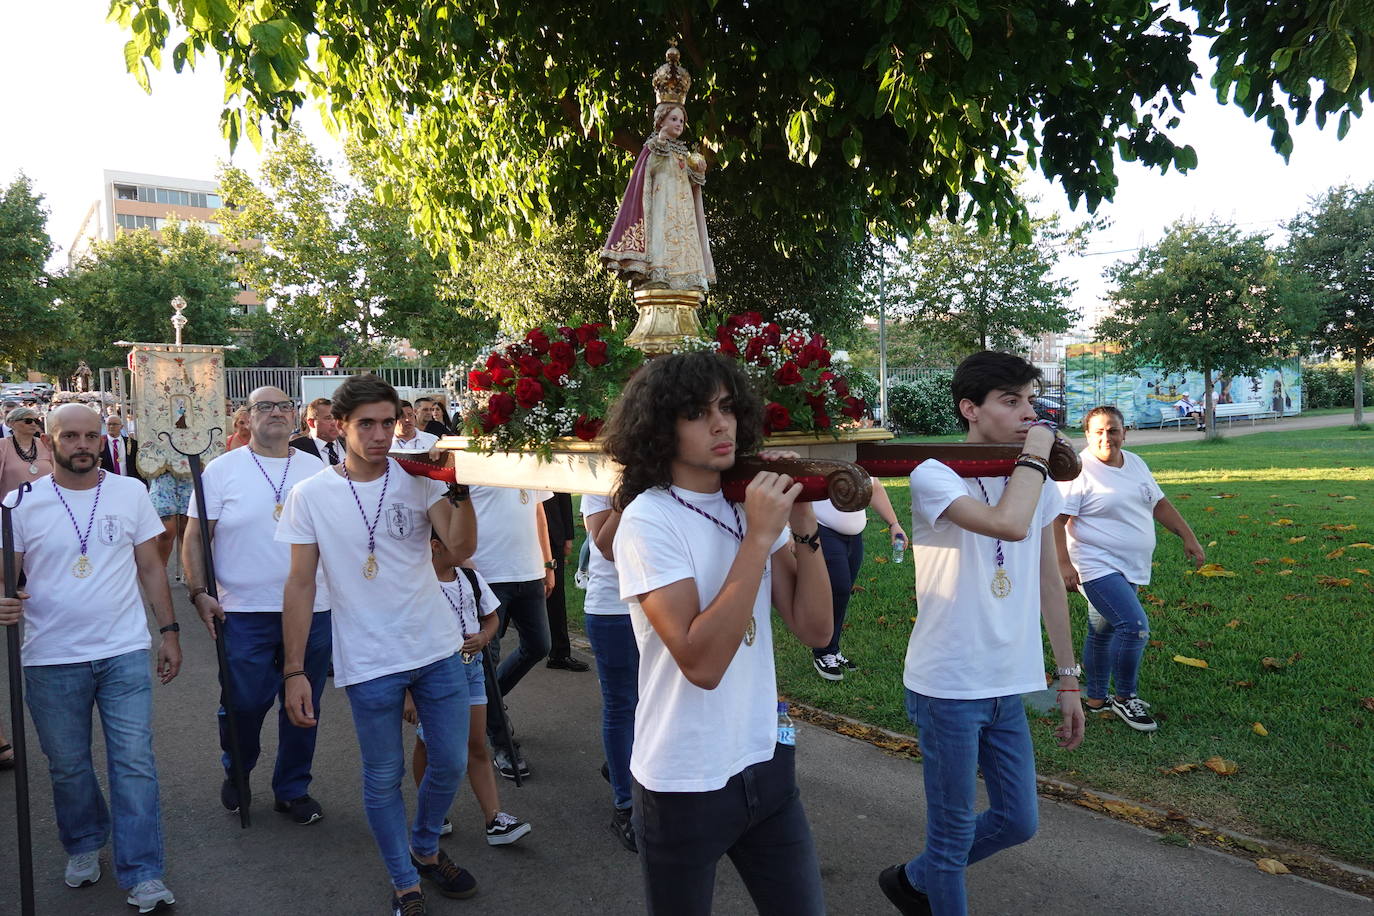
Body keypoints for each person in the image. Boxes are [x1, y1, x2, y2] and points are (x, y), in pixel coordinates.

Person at [603, 350, 833, 915]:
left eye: (727, 408)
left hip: (765, 758)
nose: (720, 423)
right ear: (660, 426)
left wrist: (803, 528)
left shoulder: (745, 502)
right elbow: (701, 664)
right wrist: (757, 540)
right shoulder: (649, 518)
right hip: (685, 778)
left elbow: (815, 628)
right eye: (696, 413)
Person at [879, 351, 1085, 916]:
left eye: (1030, 400)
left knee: (1018, 821)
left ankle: (912, 880)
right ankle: (929, 879)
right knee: (949, 840)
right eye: (1010, 401)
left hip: (1006, 683)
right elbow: (1007, 525)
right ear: (970, 409)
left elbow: (1048, 580)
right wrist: (1039, 453)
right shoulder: (933, 473)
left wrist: (1067, 680)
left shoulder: (1032, 480)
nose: (1027, 413)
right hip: (947, 685)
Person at [277, 374, 479, 916]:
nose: (380, 434)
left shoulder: (418, 479)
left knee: (451, 761)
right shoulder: (310, 494)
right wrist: (295, 671)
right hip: (368, 658)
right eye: (366, 423)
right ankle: (403, 880)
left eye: (388, 422)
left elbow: (459, 550)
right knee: (384, 775)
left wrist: (459, 486)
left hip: (435, 645)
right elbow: (299, 584)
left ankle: (426, 846)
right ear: (339, 426)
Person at [0, 403, 180, 913]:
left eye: (91, 436)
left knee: (134, 764)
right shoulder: (19, 503)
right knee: (69, 767)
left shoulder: (130, 492)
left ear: (103, 440)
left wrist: (169, 632)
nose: (82, 444)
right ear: (50, 439)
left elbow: (150, 567)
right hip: (50, 657)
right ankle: (82, 843)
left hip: (122, 649)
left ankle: (144, 872)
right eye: (71, 436)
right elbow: (6, 578)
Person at [183, 386, 334, 822]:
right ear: (246, 417)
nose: (275, 413)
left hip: (311, 607)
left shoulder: (317, 468)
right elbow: (195, 538)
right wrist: (197, 592)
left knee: (304, 702)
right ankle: (239, 771)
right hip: (243, 609)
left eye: (284, 406)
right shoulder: (221, 470)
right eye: (263, 406)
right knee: (244, 703)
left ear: (296, 416)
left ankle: (292, 787)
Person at [1054, 405, 1205, 732]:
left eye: (1113, 430)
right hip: (1095, 564)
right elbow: (1057, 520)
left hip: (1131, 565)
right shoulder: (1078, 470)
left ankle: (1095, 699)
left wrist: (1188, 537)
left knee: (1102, 629)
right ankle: (1125, 698)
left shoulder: (1135, 463)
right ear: (1087, 435)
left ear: (1124, 432)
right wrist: (1063, 563)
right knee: (1134, 626)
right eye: (1099, 431)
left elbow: (1159, 504)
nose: (1106, 437)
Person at [404, 534, 531, 846]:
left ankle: (494, 819)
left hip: (471, 670)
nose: (468, 549)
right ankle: (431, 812)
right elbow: (403, 639)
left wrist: (484, 638)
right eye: (458, 542)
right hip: (431, 676)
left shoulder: (470, 578)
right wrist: (407, 693)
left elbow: (491, 618)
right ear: (434, 544)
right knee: (428, 746)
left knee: (476, 744)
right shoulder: (415, 584)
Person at [599, 47, 715, 293]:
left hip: (682, 210)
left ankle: (687, 279)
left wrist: (699, 172)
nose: (679, 125)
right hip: (662, 205)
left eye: (682, 121)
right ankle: (658, 275)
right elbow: (646, 173)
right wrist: (660, 143)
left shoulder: (684, 152)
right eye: (674, 119)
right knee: (662, 241)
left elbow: (692, 183)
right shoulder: (654, 147)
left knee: (684, 243)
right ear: (661, 120)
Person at [466, 485, 555, 780]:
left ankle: (487, 701)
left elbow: (539, 512)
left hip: (529, 572)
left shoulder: (531, 455)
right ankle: (503, 744)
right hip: (489, 574)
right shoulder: (474, 459)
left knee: (539, 646)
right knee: (487, 664)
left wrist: (548, 563)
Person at [581, 492, 639, 851]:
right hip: (613, 609)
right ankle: (625, 806)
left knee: (655, 702)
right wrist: (625, 501)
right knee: (622, 705)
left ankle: (623, 766)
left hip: (661, 599)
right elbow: (605, 545)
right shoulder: (597, 478)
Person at [810, 478, 905, 681]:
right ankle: (822, 651)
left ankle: (832, 649)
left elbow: (874, 487)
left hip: (854, 537)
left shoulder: (854, 459)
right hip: (824, 530)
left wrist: (894, 524)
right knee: (838, 588)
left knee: (843, 593)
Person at [542, 492, 588, 672]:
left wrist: (568, 535)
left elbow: (563, 492)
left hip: (553, 532)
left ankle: (559, 653)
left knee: (556, 595)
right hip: (518, 534)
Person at [0, 405, 54, 497]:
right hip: (14, 504)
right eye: (28, 421)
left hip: (47, 501)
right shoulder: (2, 446)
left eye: (36, 421)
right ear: (12, 423)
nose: (33, 424)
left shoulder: (45, 443)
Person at [292, 397, 343, 465]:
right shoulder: (296, 448)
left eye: (336, 417)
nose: (335, 423)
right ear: (311, 423)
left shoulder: (350, 442)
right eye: (328, 418)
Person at [99, 413, 143, 483]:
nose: (111, 426)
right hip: (107, 483)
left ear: (121, 426)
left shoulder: (132, 443)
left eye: (114, 424)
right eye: (109, 424)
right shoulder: (100, 443)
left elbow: (137, 466)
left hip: (128, 482)